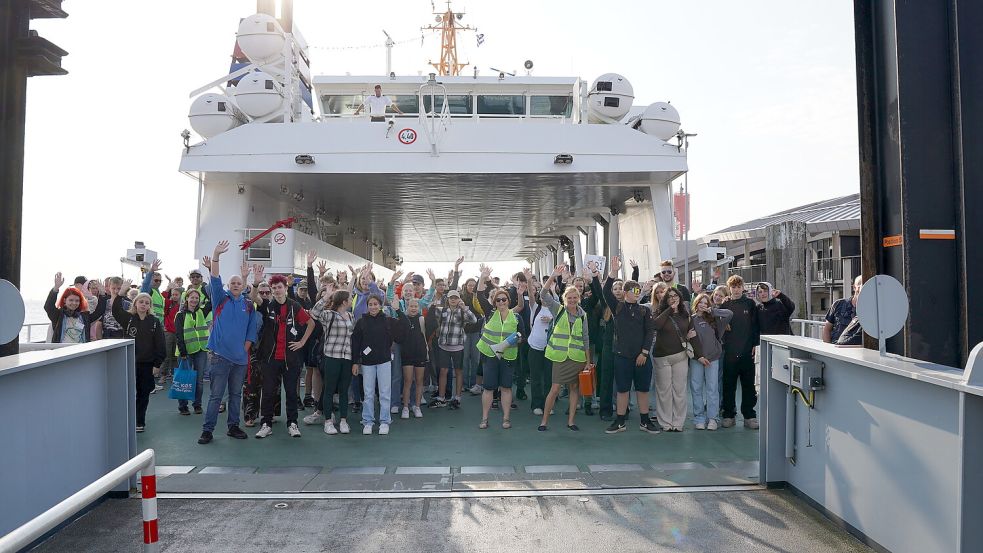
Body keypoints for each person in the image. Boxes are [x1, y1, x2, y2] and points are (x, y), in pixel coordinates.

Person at [197, 242, 258, 445]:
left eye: (238, 283)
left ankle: (233, 426)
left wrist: (245, 349)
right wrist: (216, 255)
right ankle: (208, 430)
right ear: (228, 286)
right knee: (216, 396)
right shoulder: (220, 300)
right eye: (232, 283)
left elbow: (251, 330)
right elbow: (215, 277)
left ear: (243, 286)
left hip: (240, 359)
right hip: (219, 357)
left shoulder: (248, 305)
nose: (235, 285)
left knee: (235, 394)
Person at [251, 270, 316, 439]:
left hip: (291, 359)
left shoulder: (295, 306)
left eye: (279, 287)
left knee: (292, 393)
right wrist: (257, 284)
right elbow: (254, 298)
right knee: (268, 392)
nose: (276, 290)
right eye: (274, 288)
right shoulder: (267, 305)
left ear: (285, 288)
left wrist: (301, 342)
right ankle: (266, 424)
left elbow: (311, 323)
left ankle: (292, 424)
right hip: (270, 358)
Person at [601, 256, 660, 434]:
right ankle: (620, 422)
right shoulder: (617, 308)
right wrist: (613, 272)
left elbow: (650, 332)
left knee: (642, 390)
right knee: (622, 390)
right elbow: (605, 291)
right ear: (626, 292)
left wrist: (644, 353)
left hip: (641, 357)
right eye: (633, 290)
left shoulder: (644, 310)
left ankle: (644, 421)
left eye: (638, 289)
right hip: (622, 356)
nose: (637, 292)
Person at [538, 266, 593, 432]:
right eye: (569, 297)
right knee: (554, 389)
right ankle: (544, 421)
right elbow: (542, 295)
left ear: (579, 298)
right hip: (561, 357)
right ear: (564, 298)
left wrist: (588, 362)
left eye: (575, 297)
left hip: (577, 358)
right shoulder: (558, 310)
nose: (572, 299)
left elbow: (585, 338)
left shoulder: (583, 315)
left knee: (574, 388)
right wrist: (553, 276)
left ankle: (571, 421)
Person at [475, 265, 527, 429]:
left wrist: (515, 341)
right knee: (489, 388)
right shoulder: (490, 313)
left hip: (508, 356)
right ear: (494, 302)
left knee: (506, 387)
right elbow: (479, 295)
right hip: (490, 356)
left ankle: (506, 419)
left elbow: (523, 337)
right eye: (498, 300)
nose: (501, 302)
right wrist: (483, 278)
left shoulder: (516, 316)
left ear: (508, 301)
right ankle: (484, 418)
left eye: (504, 299)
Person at [110, 283, 165, 432]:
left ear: (149, 306)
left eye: (147, 303)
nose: (144, 304)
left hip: (147, 364)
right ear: (135, 303)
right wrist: (121, 292)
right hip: (129, 362)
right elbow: (115, 309)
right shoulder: (127, 318)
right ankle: (127, 419)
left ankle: (140, 421)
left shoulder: (154, 322)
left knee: (144, 393)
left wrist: (157, 364)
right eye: (141, 301)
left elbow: (160, 344)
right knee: (128, 392)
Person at [651, 287, 703, 432]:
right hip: (662, 358)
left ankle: (678, 423)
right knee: (664, 391)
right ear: (665, 300)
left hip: (680, 356)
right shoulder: (659, 313)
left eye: (675, 296)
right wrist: (669, 309)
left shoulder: (686, 315)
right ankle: (665, 422)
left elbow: (693, 336)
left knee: (680, 390)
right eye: (669, 296)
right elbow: (656, 325)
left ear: (680, 297)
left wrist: (700, 355)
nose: (673, 298)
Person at [351, 294, 404, 435]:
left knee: (384, 393)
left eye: (376, 304)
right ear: (367, 306)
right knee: (368, 394)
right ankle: (367, 421)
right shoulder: (361, 322)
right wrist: (355, 362)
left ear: (380, 305)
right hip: (367, 364)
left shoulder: (388, 320)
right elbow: (355, 343)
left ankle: (385, 421)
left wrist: (398, 310)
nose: (373, 307)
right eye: (371, 304)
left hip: (384, 362)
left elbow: (404, 325)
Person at [305, 289, 356, 435]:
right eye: (350, 297)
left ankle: (343, 421)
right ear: (344, 301)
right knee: (329, 389)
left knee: (343, 391)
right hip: (331, 357)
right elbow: (314, 313)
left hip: (347, 358)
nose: (352, 299)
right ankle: (328, 422)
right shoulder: (329, 315)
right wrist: (326, 297)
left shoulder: (351, 316)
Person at [720, 275, 760, 430]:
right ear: (729, 288)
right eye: (733, 287)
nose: (736, 290)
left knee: (748, 386)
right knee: (728, 385)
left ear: (743, 287)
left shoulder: (750, 304)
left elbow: (756, 326)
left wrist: (755, 344)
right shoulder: (726, 304)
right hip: (729, 351)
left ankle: (749, 416)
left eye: (738, 287)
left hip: (747, 351)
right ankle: (729, 415)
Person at [689, 293, 732, 430]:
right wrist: (699, 356)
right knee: (696, 388)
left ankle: (713, 418)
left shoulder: (715, 320)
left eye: (705, 303)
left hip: (712, 359)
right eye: (700, 302)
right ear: (696, 304)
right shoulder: (691, 320)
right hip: (697, 359)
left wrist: (712, 311)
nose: (703, 305)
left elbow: (729, 314)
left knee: (712, 388)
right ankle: (699, 417)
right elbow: (688, 339)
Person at [428, 289, 477, 409]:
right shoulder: (442, 310)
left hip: (458, 346)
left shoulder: (462, 312)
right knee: (443, 371)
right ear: (448, 299)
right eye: (451, 298)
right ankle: (441, 398)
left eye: (455, 297)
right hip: (443, 346)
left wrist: (465, 308)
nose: (453, 300)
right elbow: (430, 312)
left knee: (458, 371)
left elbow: (474, 320)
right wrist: (432, 303)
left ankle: (457, 398)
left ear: (459, 299)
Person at [174, 288, 212, 415]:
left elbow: (211, 301)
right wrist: (183, 352)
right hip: (185, 352)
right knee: (184, 379)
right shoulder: (180, 315)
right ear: (186, 299)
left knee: (199, 380)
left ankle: (197, 404)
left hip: (200, 350)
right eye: (192, 297)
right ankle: (183, 406)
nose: (194, 300)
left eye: (197, 297)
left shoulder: (202, 311)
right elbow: (179, 334)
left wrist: (204, 289)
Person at [45, 272, 106, 343]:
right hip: (62, 350)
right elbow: (48, 306)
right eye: (71, 300)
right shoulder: (58, 316)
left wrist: (102, 295)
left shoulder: (84, 317)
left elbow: (99, 311)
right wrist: (55, 289)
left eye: (77, 301)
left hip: (79, 352)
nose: (74, 303)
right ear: (64, 300)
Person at [823, 275, 863, 343]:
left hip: (859, 350)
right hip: (836, 348)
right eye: (861, 286)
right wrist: (828, 347)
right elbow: (827, 329)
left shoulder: (871, 310)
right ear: (854, 287)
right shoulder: (838, 304)